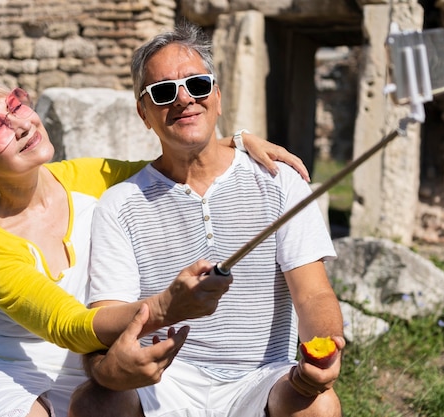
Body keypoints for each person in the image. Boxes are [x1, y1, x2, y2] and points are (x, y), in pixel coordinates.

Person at [0, 73, 309, 417]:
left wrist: (234, 144)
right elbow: (68, 326)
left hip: (96, 364)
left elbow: (172, 170)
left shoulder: (88, 176)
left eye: (15, 105)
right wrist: (165, 306)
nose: (22, 124)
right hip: (11, 365)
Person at [83, 22, 345, 417]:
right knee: (94, 403)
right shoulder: (119, 204)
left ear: (217, 97)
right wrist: (118, 364)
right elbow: (106, 313)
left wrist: (323, 350)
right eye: (164, 91)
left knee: (319, 405)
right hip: (166, 377)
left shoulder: (279, 181)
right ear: (144, 112)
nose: (184, 99)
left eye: (198, 85)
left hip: (260, 377)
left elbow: (313, 294)